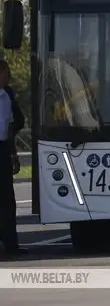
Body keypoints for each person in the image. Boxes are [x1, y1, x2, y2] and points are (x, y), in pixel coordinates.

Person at [0, 59, 25, 257]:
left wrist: (13, 154)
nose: (9, 76)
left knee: (7, 199)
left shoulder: (7, 96)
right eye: (6, 72)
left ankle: (11, 244)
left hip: (2, 149)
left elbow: (10, 127)